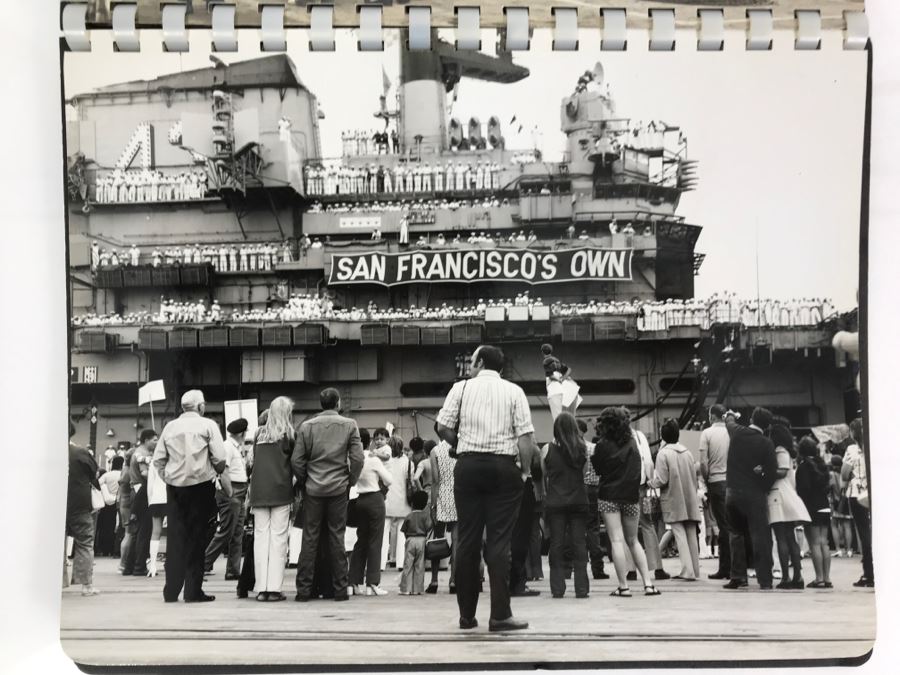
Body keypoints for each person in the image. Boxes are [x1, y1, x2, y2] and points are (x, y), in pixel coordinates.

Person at [436, 344, 537, 632]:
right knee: (499, 542)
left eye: (472, 361)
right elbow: (526, 436)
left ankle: (467, 616)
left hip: (468, 466)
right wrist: (526, 472)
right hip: (503, 468)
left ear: (480, 362)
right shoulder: (514, 391)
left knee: (467, 542)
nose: (469, 366)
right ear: (501, 367)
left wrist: (461, 445)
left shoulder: (462, 388)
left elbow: (442, 427)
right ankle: (500, 615)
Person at [152, 390, 230, 603]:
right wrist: (213, 470)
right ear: (200, 407)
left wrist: (169, 477)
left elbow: (158, 460)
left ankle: (171, 591)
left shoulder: (170, 427)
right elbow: (221, 459)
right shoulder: (208, 426)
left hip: (175, 489)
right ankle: (193, 591)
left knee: (175, 539)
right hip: (200, 487)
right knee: (197, 540)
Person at [292, 388, 365, 602]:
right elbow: (358, 459)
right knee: (337, 538)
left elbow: (297, 461)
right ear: (338, 403)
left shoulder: (306, 426)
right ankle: (340, 589)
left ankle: (304, 591)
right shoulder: (350, 425)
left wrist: (306, 481)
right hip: (338, 489)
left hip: (313, 489)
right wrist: (349, 481)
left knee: (310, 538)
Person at [591, 407, 661, 597]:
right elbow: (638, 469)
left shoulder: (602, 445)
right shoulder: (632, 443)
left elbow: (597, 469)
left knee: (616, 540)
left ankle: (624, 587)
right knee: (634, 540)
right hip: (631, 496)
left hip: (608, 496)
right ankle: (648, 584)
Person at [723, 407, 778, 590]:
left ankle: (738, 577)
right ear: (767, 425)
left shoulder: (737, 433)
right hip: (754, 493)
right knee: (760, 535)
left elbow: (729, 422)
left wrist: (731, 414)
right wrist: (762, 486)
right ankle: (765, 579)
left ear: (752, 418)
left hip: (733, 491)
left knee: (736, 534)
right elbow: (771, 473)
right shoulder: (766, 443)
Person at [249, 398, 295, 602]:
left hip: (259, 491)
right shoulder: (289, 435)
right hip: (281, 490)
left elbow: (251, 462)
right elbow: (295, 463)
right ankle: (274, 588)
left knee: (260, 539)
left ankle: (261, 588)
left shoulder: (258, 433)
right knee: (278, 539)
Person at [541, 412, 590, 598]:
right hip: (579, 501)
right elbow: (584, 474)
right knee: (579, 544)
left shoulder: (547, 449)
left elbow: (544, 475)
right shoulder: (583, 448)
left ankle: (557, 588)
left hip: (556, 503)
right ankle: (582, 589)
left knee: (557, 545)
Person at [650, 419, 702, 581]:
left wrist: (650, 482)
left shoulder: (663, 453)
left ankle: (687, 572)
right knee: (691, 534)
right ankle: (694, 570)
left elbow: (662, 479)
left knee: (679, 534)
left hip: (673, 499)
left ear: (663, 436)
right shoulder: (687, 452)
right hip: (690, 498)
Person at [204, 418, 250, 581]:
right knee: (226, 531)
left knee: (237, 532)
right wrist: (230, 493)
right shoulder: (227, 447)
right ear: (242, 433)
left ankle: (233, 570)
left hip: (238, 490)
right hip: (232, 490)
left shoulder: (234, 447)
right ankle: (202, 564)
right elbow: (223, 471)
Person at [767, 419, 810, 590]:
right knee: (790, 538)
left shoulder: (780, 451)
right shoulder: (789, 452)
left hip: (778, 495)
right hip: (787, 495)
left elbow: (781, 472)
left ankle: (786, 577)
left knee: (781, 538)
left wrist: (764, 471)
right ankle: (797, 576)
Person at [348, 437, 393, 596]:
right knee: (375, 542)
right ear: (370, 442)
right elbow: (389, 480)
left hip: (360, 500)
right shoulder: (374, 460)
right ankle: (372, 584)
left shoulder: (355, 460)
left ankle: (352, 582)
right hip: (375, 499)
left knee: (361, 541)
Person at [66, 421, 101, 596]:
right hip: (79, 503)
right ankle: (86, 586)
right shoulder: (80, 452)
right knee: (85, 542)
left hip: (52, 504)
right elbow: (94, 473)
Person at [795, 437, 833, 588]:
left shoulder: (804, 466)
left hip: (812, 508)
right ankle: (827, 578)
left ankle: (819, 578)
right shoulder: (821, 464)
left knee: (815, 544)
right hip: (825, 506)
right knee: (825, 543)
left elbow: (803, 489)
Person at [700, 404, 732, 580]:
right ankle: (737, 566)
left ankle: (725, 568)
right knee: (733, 525)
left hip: (716, 482)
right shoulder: (731, 431)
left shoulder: (707, 433)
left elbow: (703, 463)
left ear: (712, 416)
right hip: (732, 482)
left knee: (722, 526)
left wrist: (706, 479)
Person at [843, 418, 873, 587]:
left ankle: (869, 573)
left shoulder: (852, 449)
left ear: (853, 433)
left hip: (857, 494)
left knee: (864, 533)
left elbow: (844, 474)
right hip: (876, 491)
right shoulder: (876, 445)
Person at [578, 420, 608, 579]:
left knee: (575, 528)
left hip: (577, 490)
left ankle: (574, 568)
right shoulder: (593, 447)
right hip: (594, 490)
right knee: (593, 529)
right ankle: (598, 569)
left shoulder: (571, 449)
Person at [427, 440, 457, 594]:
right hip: (458, 496)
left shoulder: (435, 451)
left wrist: (433, 505)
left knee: (438, 539)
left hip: (441, 496)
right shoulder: (460, 447)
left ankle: (434, 580)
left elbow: (435, 481)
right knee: (457, 541)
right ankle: (453, 580)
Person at [127, 429, 157, 577]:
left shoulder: (137, 452)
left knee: (137, 532)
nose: (156, 443)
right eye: (154, 440)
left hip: (136, 491)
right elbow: (145, 473)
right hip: (142, 493)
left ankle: (130, 566)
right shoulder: (143, 455)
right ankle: (139, 566)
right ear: (146, 440)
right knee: (145, 531)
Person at [384, 434, 413, 568]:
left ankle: (381, 563)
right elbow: (410, 481)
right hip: (403, 502)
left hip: (387, 501)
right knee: (402, 534)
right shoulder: (408, 462)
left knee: (383, 534)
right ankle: (400, 563)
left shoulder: (384, 461)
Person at [400, 491, 434, 595]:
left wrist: (408, 538)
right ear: (424, 504)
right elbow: (429, 527)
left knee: (408, 565)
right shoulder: (425, 516)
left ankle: (406, 589)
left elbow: (404, 529)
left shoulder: (409, 516)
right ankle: (418, 589)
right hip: (422, 540)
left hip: (410, 540)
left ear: (412, 503)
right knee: (420, 565)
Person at [145, 442, 168, 578]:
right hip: (170, 498)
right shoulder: (171, 460)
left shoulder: (153, 462)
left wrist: (150, 502)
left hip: (155, 499)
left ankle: (152, 565)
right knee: (173, 532)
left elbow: (150, 484)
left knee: (155, 532)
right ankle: (171, 563)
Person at [94, 458, 122, 558]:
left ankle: (103, 548)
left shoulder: (107, 475)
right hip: (118, 501)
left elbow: (97, 483)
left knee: (105, 525)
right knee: (116, 525)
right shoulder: (122, 474)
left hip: (106, 502)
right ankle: (113, 548)